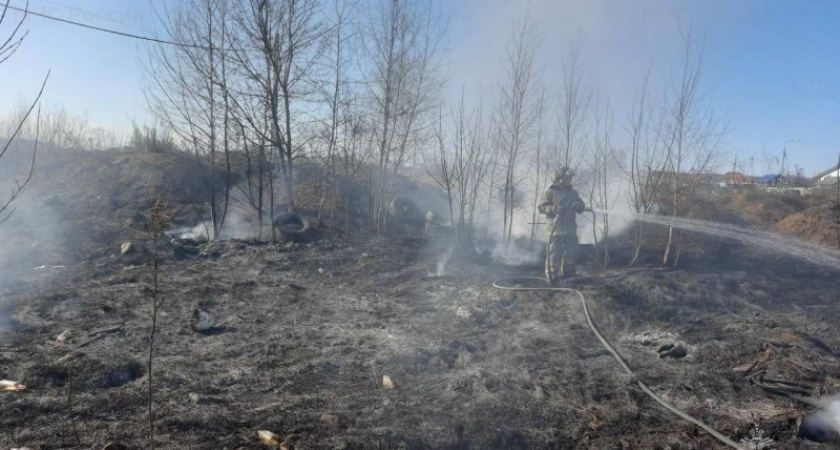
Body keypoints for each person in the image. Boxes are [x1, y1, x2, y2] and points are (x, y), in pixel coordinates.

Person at [538, 167, 586, 281]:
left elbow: (581, 206)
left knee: (572, 249)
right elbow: (541, 207)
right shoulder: (550, 192)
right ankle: (552, 274)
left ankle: (569, 272)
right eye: (568, 178)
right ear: (560, 178)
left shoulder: (573, 193)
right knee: (555, 251)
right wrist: (555, 209)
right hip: (556, 227)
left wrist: (578, 205)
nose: (569, 180)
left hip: (570, 228)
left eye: (570, 178)